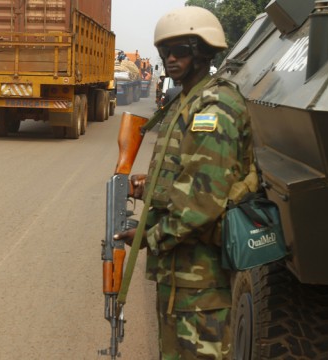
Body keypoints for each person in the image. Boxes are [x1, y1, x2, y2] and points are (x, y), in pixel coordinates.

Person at [114, 7, 255, 359]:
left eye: (181, 50)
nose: (171, 59)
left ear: (204, 52)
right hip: (181, 277)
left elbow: (201, 204)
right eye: (165, 53)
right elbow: (186, 175)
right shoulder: (187, 102)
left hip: (201, 283)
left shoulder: (213, 109)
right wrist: (148, 186)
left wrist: (148, 237)